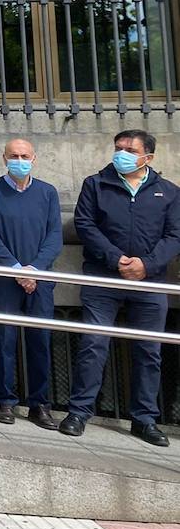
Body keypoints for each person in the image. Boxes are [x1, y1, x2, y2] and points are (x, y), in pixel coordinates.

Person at [60, 130, 180, 447]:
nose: (121, 153)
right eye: (118, 148)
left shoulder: (168, 192)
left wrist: (147, 265)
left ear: (148, 158)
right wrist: (116, 259)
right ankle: (79, 412)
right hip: (103, 278)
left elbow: (175, 236)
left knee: (149, 352)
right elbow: (85, 224)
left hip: (150, 283)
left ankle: (145, 420)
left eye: (130, 149)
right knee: (93, 345)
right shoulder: (96, 184)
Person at [0, 138, 62, 430]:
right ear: (4, 158)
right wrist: (16, 269)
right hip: (4, 278)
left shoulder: (48, 193)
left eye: (25, 155)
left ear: (34, 158)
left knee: (40, 340)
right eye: (14, 155)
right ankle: (6, 400)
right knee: (4, 339)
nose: (19, 160)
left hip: (41, 278)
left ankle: (40, 404)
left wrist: (34, 269)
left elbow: (55, 237)